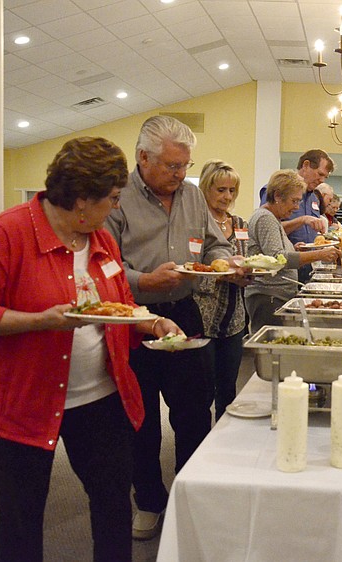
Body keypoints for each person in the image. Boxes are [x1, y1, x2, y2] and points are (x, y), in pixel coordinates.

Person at [0, 137, 182, 562]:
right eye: (111, 198)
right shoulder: (5, 234)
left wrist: (152, 321)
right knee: (21, 522)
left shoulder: (99, 239)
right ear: (81, 199)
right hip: (20, 403)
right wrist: (41, 321)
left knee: (112, 507)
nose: (117, 207)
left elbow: (120, 302)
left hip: (100, 397)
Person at [105, 115, 236, 540]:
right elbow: (102, 269)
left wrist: (226, 264)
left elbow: (213, 242)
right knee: (139, 421)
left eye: (185, 166)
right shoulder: (117, 198)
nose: (181, 175)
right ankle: (149, 502)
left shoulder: (193, 195)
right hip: (134, 321)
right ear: (143, 157)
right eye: (172, 166)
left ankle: (189, 495)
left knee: (195, 411)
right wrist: (144, 281)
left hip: (185, 313)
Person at [245, 170, 341, 333]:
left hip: (275, 295)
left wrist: (294, 248)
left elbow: (273, 252)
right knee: (270, 350)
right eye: (294, 201)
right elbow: (278, 258)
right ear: (277, 196)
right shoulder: (265, 218)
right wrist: (319, 254)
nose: (296, 207)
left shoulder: (272, 218)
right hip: (268, 297)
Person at [194, 159, 250, 422]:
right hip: (202, 317)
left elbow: (247, 259)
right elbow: (190, 268)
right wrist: (221, 277)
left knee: (228, 390)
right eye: (220, 190)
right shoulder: (194, 223)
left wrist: (248, 274)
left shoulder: (239, 223)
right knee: (200, 393)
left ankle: (223, 441)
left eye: (231, 191)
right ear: (205, 189)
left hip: (235, 318)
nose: (227, 196)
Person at [259, 150, 335, 283]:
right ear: (305, 165)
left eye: (325, 177)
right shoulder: (278, 192)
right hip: (281, 275)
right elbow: (268, 228)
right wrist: (301, 220)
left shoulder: (314, 197)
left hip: (307, 268)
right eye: (320, 174)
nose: (322, 180)